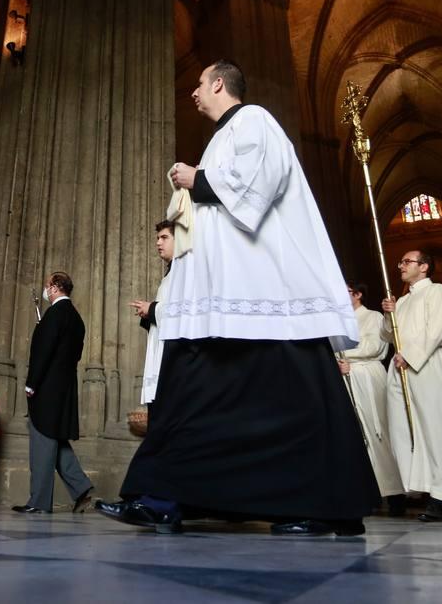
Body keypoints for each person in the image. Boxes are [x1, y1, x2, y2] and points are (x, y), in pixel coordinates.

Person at [100, 60, 375, 537]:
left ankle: (327, 505)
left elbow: (255, 188)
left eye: (199, 84)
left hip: (263, 291)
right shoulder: (221, 136)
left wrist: (196, 180)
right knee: (196, 389)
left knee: (289, 395)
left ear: (220, 84)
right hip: (224, 296)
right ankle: (163, 496)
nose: (193, 93)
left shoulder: (254, 120)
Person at [381, 249, 442, 522]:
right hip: (399, 365)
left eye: (407, 261)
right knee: (403, 430)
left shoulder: (438, 292)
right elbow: (387, 336)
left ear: (425, 267)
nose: (401, 266)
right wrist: (388, 315)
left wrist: (412, 355)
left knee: (435, 429)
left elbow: (438, 328)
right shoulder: (402, 301)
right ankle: (421, 489)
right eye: (401, 261)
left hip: (426, 363)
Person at [14, 271, 92, 515]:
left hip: (47, 388)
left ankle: (38, 502)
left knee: (41, 439)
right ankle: (81, 489)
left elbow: (42, 352)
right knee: (55, 439)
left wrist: (32, 383)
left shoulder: (54, 314)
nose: (46, 289)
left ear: (57, 287)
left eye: (48, 285)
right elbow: (73, 355)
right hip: (65, 387)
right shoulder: (77, 319)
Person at [338, 280, 406, 513]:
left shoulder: (373, 316)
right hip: (346, 375)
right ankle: (369, 494)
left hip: (368, 375)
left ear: (357, 295)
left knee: (379, 432)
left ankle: (394, 493)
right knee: (356, 434)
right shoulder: (338, 320)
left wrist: (341, 355)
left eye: (345, 291)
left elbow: (373, 346)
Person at [130, 220, 176, 409]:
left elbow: (184, 314)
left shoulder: (184, 273)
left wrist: (153, 309)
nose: (158, 243)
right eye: (157, 238)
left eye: (164, 238)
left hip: (172, 360)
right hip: (161, 348)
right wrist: (148, 313)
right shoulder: (171, 273)